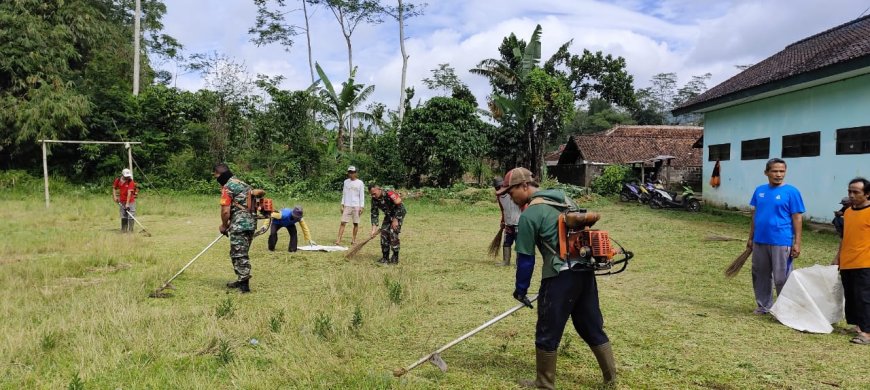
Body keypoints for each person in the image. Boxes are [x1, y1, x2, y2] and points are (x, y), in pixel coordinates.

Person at [497, 167, 616, 388]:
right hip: (584, 271)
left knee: (547, 330)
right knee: (591, 325)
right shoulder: (563, 198)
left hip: (559, 276)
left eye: (510, 192)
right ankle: (611, 379)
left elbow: (525, 260)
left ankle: (544, 383)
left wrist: (520, 290)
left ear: (524, 186)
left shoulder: (530, 214)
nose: (509, 197)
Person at [746, 158, 805, 315]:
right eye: (775, 171)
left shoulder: (792, 192)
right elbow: (755, 215)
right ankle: (763, 306)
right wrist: (751, 237)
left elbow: (797, 218)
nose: (779, 174)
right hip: (760, 240)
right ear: (766, 172)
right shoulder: (760, 190)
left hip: (781, 241)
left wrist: (797, 243)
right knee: (760, 275)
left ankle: (785, 309)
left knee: (782, 278)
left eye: (782, 171)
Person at [832, 177, 870, 345]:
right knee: (852, 296)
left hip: (865, 263)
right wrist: (838, 257)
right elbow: (845, 237)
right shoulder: (847, 212)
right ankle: (858, 326)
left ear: (867, 194)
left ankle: (867, 332)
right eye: (850, 192)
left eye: (856, 192)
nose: (852, 195)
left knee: (864, 298)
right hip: (848, 261)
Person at [214, 163, 257, 293]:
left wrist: (224, 225)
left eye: (215, 175)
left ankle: (244, 286)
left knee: (239, 253)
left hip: (239, 224)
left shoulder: (227, 187)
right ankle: (241, 280)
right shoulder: (243, 184)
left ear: (220, 174)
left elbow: (225, 211)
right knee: (239, 252)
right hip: (251, 223)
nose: (215, 178)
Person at [369, 184, 406, 265]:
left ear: (379, 189)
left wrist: (396, 219)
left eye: (374, 193)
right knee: (384, 233)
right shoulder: (374, 199)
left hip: (398, 213)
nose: (373, 195)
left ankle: (395, 257)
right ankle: (385, 258)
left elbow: (399, 203)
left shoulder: (389, 193)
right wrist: (373, 230)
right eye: (371, 194)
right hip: (388, 215)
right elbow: (374, 214)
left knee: (393, 232)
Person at [493, 176, 521, 266]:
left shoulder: (513, 194)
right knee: (506, 243)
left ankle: (519, 263)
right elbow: (503, 210)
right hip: (508, 224)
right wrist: (502, 221)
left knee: (519, 244)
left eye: (500, 187)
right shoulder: (499, 197)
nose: (498, 189)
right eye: (496, 187)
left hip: (518, 223)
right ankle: (506, 261)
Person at [336, 166, 365, 245]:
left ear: (355, 173)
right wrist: (342, 204)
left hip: (356, 205)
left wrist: (361, 207)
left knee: (355, 223)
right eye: (349, 172)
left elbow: (362, 195)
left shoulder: (360, 183)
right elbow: (344, 194)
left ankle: (353, 240)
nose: (351, 174)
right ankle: (338, 239)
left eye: (352, 172)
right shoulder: (346, 182)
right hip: (347, 205)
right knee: (343, 222)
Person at [112, 168, 138, 233]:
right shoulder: (118, 180)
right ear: (122, 175)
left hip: (130, 201)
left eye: (128, 176)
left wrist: (127, 204)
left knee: (131, 215)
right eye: (126, 176)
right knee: (123, 215)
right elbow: (114, 188)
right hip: (122, 200)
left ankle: (130, 231)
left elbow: (129, 193)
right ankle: (124, 230)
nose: (128, 177)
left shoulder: (130, 181)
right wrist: (115, 196)